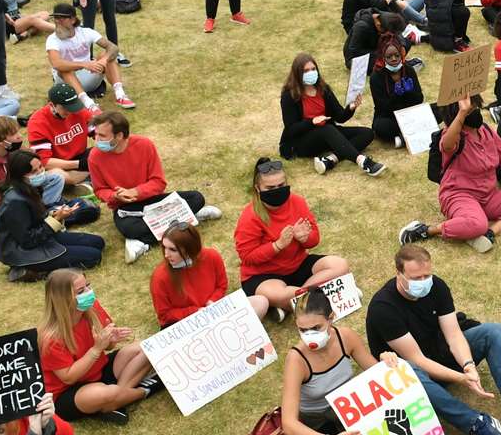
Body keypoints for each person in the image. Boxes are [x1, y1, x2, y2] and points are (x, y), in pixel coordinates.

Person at [365, 244, 501, 435]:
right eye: (415, 278)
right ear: (398, 274)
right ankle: (476, 423)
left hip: (439, 351)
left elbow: (454, 334)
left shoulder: (436, 286)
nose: (423, 283)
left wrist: (467, 365)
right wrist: (461, 378)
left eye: (426, 275)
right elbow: (417, 359)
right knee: (410, 372)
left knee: (491, 331)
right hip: (415, 375)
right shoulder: (384, 308)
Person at [278, 287, 401, 435]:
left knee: (394, 428)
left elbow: (376, 375)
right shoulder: (296, 360)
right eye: (302, 330)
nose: (310, 336)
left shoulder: (346, 337)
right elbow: (289, 423)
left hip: (351, 412)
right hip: (319, 426)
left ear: (331, 318)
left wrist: (385, 361)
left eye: (316, 327)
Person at [398, 97, 501, 254]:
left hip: (489, 195)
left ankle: (490, 234)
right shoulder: (453, 135)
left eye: (475, 107)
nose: (475, 112)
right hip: (459, 195)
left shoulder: (486, 130)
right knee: (478, 224)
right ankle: (426, 230)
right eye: (470, 110)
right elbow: (447, 145)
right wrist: (463, 112)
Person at [86, 109, 222, 263]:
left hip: (153, 199)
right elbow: (99, 190)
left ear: (119, 135)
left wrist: (136, 191)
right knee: (129, 229)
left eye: (102, 136)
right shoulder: (94, 157)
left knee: (196, 198)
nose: (96, 139)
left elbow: (158, 182)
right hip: (126, 208)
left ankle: (144, 240)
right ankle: (185, 221)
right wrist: (115, 195)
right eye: (96, 134)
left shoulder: (144, 145)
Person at [38, 269, 158, 425]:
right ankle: (145, 390)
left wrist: (110, 340)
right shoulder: (50, 337)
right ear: (63, 299)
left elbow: (108, 347)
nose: (89, 292)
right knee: (108, 392)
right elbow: (69, 377)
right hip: (67, 393)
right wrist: (96, 349)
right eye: (81, 291)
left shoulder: (92, 307)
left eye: (88, 285)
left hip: (97, 371)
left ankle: (114, 401)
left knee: (149, 348)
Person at [235, 157, 353, 314]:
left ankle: (293, 302)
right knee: (281, 294)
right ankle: (314, 296)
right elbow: (247, 257)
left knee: (340, 265)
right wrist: (277, 246)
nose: (277, 190)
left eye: (281, 185)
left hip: (298, 265)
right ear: (257, 188)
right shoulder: (250, 216)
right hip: (264, 276)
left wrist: (305, 238)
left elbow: (315, 238)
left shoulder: (297, 202)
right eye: (270, 188)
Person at [0, 150, 103, 278]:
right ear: (20, 175)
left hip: (43, 239)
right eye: (34, 171)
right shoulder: (14, 201)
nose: (40, 172)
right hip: (25, 251)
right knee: (93, 257)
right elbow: (28, 241)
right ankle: (28, 270)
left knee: (98, 243)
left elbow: (37, 219)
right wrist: (55, 220)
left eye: (41, 167)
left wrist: (56, 214)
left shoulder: (29, 188)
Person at [276, 52, 385, 177]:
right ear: (298, 74)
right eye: (306, 71)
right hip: (300, 142)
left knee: (367, 133)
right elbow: (291, 129)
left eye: (313, 69)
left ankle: (330, 160)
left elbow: (340, 117)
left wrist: (351, 107)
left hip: (326, 134)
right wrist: (312, 122)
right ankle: (363, 162)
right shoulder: (289, 95)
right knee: (326, 128)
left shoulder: (324, 89)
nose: (311, 73)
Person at [152, 221, 270, 327]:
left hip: (214, 310)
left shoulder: (212, 256)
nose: (166, 254)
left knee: (261, 302)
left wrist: (212, 302)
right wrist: (195, 312)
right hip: (186, 323)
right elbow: (164, 316)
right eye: (164, 247)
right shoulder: (160, 276)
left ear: (190, 248)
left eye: (172, 250)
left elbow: (221, 285)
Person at [45, 2, 134, 111]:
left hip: (89, 75)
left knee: (106, 56)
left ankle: (120, 95)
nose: (58, 22)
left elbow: (113, 48)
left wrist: (103, 61)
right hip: (66, 83)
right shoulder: (52, 39)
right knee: (64, 69)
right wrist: (84, 64)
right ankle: (89, 105)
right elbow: (57, 64)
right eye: (56, 18)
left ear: (73, 20)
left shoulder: (86, 32)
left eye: (62, 18)